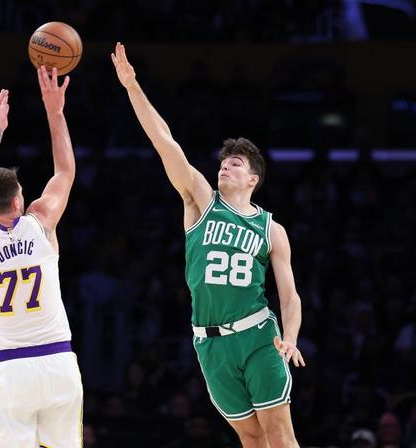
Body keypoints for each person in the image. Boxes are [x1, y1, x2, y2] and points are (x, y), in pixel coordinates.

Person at [112, 42, 305, 447]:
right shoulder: (201, 201)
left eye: (235, 164)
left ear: (253, 179)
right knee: (250, 437)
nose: (225, 166)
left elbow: (289, 294)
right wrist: (132, 87)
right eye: (223, 162)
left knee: (279, 434)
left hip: (258, 335)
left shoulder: (271, 229)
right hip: (210, 342)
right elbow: (164, 142)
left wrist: (291, 336)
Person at [0, 65, 83, 448]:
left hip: (10, 368)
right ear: (17, 201)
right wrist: (55, 111)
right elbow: (65, 171)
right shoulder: (41, 222)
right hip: (58, 362)